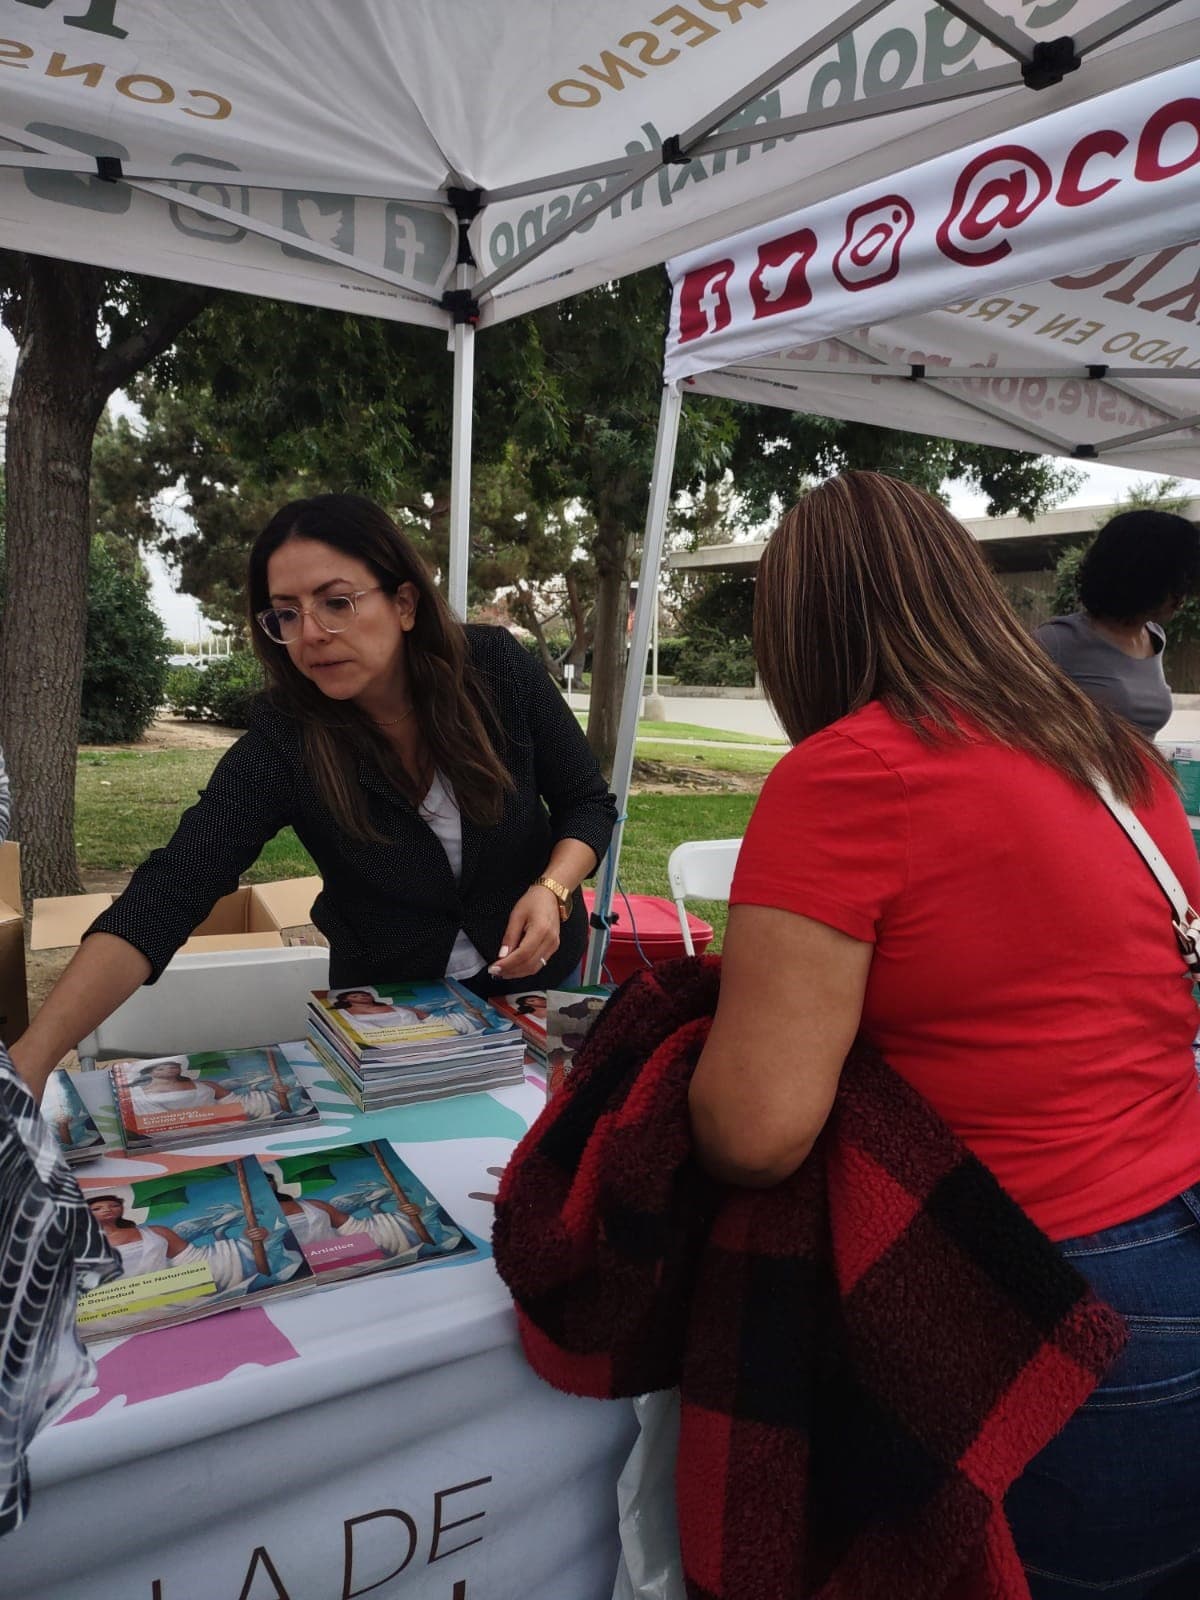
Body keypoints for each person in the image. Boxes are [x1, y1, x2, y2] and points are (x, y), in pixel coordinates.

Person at [688, 471, 1200, 1598]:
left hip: (1039, 1287)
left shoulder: (850, 772)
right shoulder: (1120, 759)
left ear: (798, 628)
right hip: (1175, 1228)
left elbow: (756, 1130)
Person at [11, 494, 616, 1103]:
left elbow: (587, 801)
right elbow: (175, 885)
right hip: (391, 1018)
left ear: (403, 603)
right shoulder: (287, 737)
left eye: (337, 603)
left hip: (538, 987)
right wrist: (29, 1063)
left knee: (561, 1152)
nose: (312, 635)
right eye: (287, 614)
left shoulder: (495, 670)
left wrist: (553, 888)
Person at [1034, 507, 1200, 738]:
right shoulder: (1057, 640)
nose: (1182, 599)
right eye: (1174, 586)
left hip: (1141, 774)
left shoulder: (1155, 637)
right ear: (1143, 578)